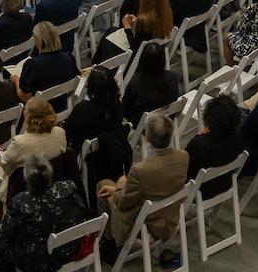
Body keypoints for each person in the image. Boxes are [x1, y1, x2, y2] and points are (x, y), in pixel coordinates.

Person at [97, 114, 190, 253]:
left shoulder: (140, 170)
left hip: (149, 221)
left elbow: (123, 203)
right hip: (172, 215)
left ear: (147, 138)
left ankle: (110, 247)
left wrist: (120, 186)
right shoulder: (183, 156)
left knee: (103, 184)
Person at [63, 65, 132, 186]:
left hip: (89, 159)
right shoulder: (117, 106)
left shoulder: (83, 109)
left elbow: (66, 133)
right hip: (113, 157)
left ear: (92, 88)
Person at [0, 97, 68, 180]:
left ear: (28, 117)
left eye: (25, 110)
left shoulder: (19, 143)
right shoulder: (60, 132)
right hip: (54, 178)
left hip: (23, 184)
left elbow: (6, 168)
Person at [15, 22, 79, 104]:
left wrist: (16, 80)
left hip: (39, 108)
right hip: (63, 103)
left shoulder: (33, 65)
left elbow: (25, 97)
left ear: (38, 40)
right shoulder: (69, 58)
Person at [123, 42, 179, 127]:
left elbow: (126, 111)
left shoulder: (135, 84)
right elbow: (175, 97)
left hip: (142, 126)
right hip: (165, 122)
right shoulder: (172, 77)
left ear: (142, 60)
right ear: (163, 60)